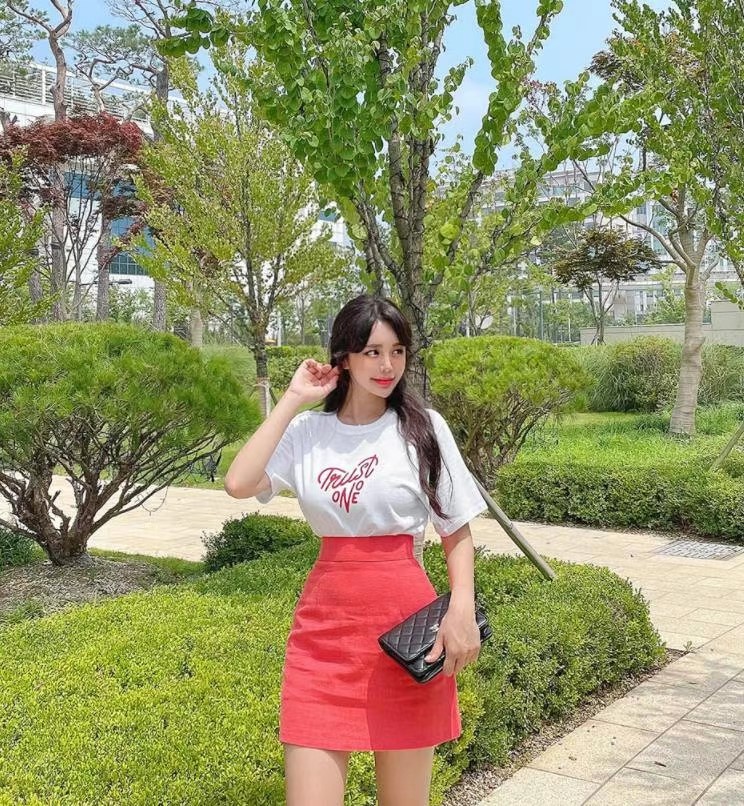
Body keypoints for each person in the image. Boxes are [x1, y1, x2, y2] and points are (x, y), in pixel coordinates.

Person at [224, 294, 487, 806]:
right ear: (343, 357)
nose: (387, 366)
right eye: (372, 352)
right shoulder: (308, 431)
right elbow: (239, 482)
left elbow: (456, 531)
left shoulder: (423, 429)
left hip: (405, 635)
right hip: (323, 638)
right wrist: (292, 398)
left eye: (397, 351)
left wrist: (461, 610)